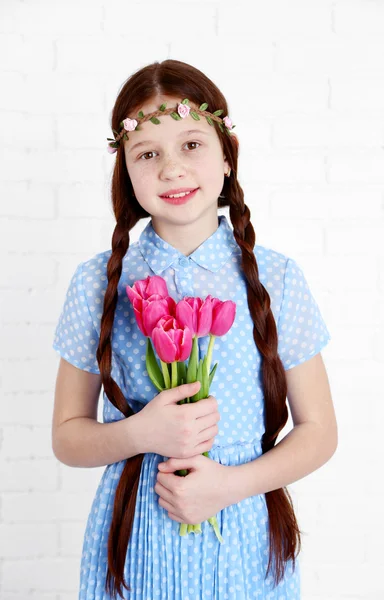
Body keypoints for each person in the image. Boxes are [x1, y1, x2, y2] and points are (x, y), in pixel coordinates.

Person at [51, 59, 337, 600]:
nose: (172, 170)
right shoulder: (97, 283)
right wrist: (140, 434)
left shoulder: (276, 278)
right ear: (127, 174)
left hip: (245, 532)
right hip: (134, 539)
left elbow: (319, 432)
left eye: (191, 145)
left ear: (226, 157)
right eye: (148, 154)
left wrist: (229, 486)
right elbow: (68, 435)